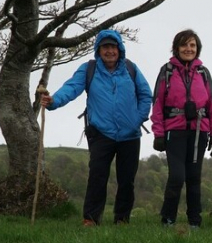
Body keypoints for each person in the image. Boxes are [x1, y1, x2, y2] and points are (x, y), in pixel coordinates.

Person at [41, 29, 152, 226]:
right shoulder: (88, 69)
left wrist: (138, 118)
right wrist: (53, 101)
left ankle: (122, 219)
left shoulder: (130, 69)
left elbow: (145, 94)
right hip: (101, 133)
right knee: (97, 176)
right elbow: (71, 88)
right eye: (105, 47)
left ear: (119, 49)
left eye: (113, 47)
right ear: (98, 50)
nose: (109, 51)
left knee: (127, 180)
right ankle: (91, 218)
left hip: (130, 134)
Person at [151, 29, 212, 228]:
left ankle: (194, 222)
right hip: (175, 130)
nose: (188, 49)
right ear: (176, 48)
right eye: (184, 45)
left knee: (194, 177)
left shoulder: (203, 73)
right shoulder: (167, 71)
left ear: (197, 49)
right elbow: (157, 103)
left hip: (200, 131)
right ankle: (168, 219)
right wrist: (159, 133)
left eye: (192, 45)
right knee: (177, 177)